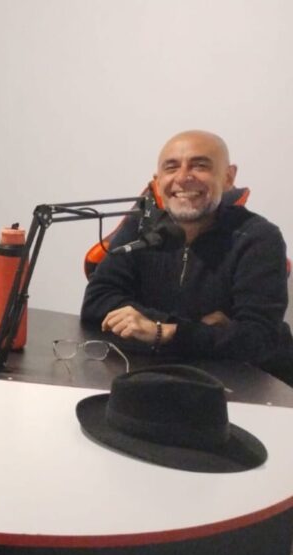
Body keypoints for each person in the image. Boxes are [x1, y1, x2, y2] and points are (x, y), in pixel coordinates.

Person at [81, 130, 293, 384]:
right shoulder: (141, 227)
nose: (183, 178)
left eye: (200, 165)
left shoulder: (258, 237)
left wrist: (165, 332)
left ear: (228, 177)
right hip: (159, 376)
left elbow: (258, 339)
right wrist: (193, 327)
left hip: (248, 387)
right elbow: (96, 303)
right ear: (158, 181)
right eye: (171, 167)